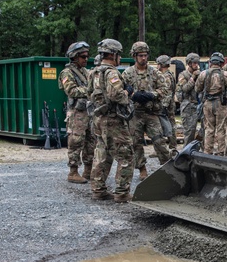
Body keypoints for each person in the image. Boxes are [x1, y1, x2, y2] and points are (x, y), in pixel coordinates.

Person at [87, 39, 135, 203]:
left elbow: (89, 93)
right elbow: (116, 95)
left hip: (99, 118)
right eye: (119, 55)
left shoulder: (94, 72)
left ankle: (98, 190)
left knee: (102, 153)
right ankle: (122, 192)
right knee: (126, 155)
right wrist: (127, 92)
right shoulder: (111, 73)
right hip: (113, 121)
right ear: (114, 55)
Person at [122, 41, 172, 181]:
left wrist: (152, 95)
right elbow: (122, 90)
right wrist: (132, 95)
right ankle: (142, 169)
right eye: (140, 55)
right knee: (135, 143)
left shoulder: (154, 73)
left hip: (151, 113)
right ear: (134, 56)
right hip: (135, 114)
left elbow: (164, 89)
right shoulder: (128, 73)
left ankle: (167, 167)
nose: (143, 58)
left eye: (145, 55)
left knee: (159, 141)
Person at [60, 41, 94, 184]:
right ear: (74, 57)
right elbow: (71, 90)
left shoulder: (86, 72)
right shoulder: (66, 73)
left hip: (89, 112)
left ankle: (88, 170)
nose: (86, 59)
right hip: (76, 113)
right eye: (82, 57)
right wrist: (90, 91)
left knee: (91, 141)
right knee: (76, 141)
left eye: (86, 56)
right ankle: (73, 172)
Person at [194, 52, 227, 156]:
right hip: (221, 104)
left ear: (211, 62)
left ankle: (207, 152)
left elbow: (197, 89)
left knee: (209, 129)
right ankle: (221, 152)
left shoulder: (203, 74)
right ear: (221, 63)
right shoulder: (226, 74)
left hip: (207, 104)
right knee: (221, 129)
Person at [155, 54, 179, 156]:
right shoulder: (169, 75)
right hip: (169, 105)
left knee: (168, 127)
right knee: (170, 126)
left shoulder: (166, 77)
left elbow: (167, 94)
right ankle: (170, 148)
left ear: (161, 65)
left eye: (158, 64)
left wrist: (163, 106)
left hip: (165, 106)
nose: (157, 66)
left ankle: (171, 148)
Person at [175, 53, 201, 146]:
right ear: (189, 63)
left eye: (197, 63)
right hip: (188, 105)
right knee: (189, 131)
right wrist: (193, 78)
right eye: (194, 63)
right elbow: (185, 89)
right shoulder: (183, 75)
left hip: (198, 104)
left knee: (202, 130)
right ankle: (186, 153)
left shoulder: (199, 74)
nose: (196, 65)